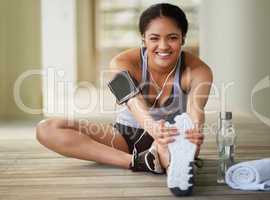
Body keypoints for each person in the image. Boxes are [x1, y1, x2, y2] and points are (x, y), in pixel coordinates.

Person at [36, 3, 212, 195]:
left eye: (172, 38)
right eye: (154, 38)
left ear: (183, 39)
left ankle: (169, 158)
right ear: (143, 39)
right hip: (124, 137)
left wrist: (193, 133)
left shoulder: (199, 71)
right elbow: (132, 102)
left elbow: (196, 111)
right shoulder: (120, 63)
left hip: (170, 137)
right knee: (47, 128)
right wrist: (153, 128)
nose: (163, 46)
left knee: (178, 145)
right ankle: (141, 161)